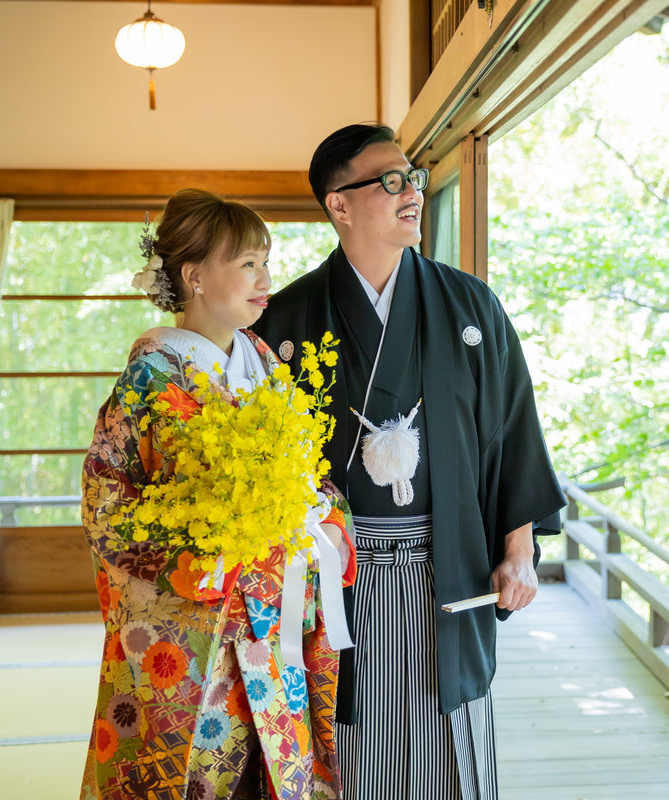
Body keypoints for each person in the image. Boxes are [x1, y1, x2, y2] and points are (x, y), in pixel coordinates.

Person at [250, 124, 566, 799]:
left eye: (413, 178)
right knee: (351, 737)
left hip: (452, 565)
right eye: (391, 181)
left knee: (453, 742)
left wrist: (520, 551)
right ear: (339, 203)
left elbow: (514, 432)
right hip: (337, 576)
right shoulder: (287, 317)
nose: (412, 192)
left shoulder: (470, 305)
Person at [80, 188, 357, 800]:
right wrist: (191, 555)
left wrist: (326, 519)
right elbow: (106, 503)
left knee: (274, 773)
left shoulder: (261, 362)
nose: (266, 279)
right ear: (195, 275)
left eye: (266, 261)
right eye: (249, 264)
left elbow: (307, 472)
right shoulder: (153, 376)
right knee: (192, 773)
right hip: (190, 626)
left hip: (269, 616)